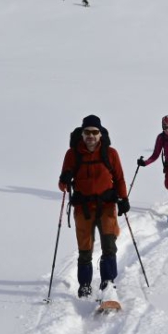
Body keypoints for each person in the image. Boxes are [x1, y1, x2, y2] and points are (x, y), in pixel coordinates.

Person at [58, 114, 129, 298]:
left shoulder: (110, 153)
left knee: (109, 245)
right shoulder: (72, 154)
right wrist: (64, 179)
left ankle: (108, 282)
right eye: (87, 132)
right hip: (83, 209)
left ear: (100, 134)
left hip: (106, 206)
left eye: (94, 132)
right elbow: (62, 186)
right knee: (85, 249)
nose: (90, 136)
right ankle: (85, 285)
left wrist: (123, 199)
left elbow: (119, 179)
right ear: (82, 134)